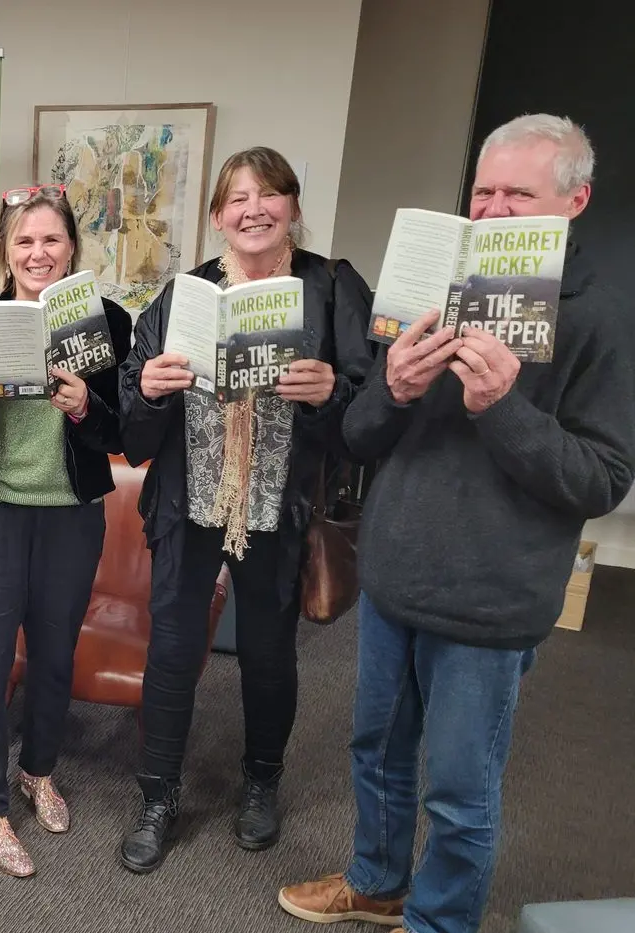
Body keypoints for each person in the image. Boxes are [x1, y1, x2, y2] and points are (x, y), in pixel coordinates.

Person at [278, 115, 635, 933]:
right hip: (395, 573)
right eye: (484, 190)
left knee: (460, 791)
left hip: (491, 599)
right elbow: (358, 437)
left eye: (520, 193)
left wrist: (502, 408)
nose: (495, 209)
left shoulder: (599, 319)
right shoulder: (429, 288)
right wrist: (392, 389)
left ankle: (439, 921)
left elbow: (601, 479)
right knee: (375, 752)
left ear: (574, 201)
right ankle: (374, 883)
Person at [117, 148, 375, 872]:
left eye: (269, 195)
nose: (253, 209)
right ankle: (159, 794)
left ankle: (262, 778)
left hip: (277, 503)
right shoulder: (183, 294)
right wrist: (152, 389)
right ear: (217, 216)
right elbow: (131, 423)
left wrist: (331, 393)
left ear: (293, 205)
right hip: (193, 497)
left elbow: (372, 416)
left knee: (266, 652)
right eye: (237, 198)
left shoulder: (329, 287)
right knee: (171, 650)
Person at [0, 182, 133, 877]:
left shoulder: (107, 321)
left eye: (51, 239)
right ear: (4, 249)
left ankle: (37, 770)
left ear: (71, 245)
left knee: (53, 656)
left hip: (71, 517)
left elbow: (125, 432)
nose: (38, 253)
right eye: (24, 241)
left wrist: (85, 408)